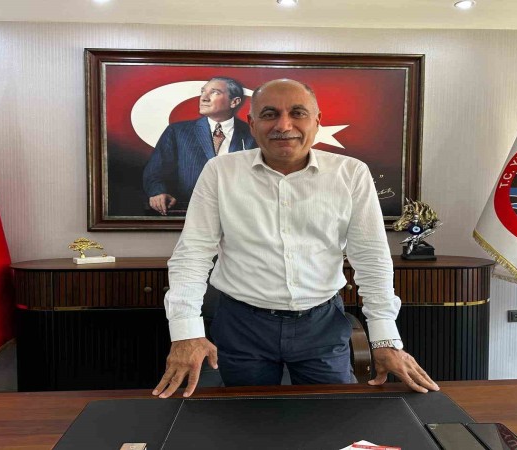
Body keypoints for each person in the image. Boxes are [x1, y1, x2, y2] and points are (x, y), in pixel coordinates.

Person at [153, 79, 439, 398]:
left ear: (317, 121)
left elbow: (371, 258)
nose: (284, 125)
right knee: (243, 418)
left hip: (322, 325)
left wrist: (385, 338)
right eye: (270, 114)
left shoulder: (351, 174)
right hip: (242, 325)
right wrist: (185, 332)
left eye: (298, 113)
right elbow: (193, 254)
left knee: (335, 417)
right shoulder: (220, 171)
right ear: (252, 123)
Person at [142, 76, 257, 215]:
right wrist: (158, 192)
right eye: (203, 92)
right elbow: (155, 172)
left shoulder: (253, 134)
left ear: (234, 102)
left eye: (214, 92)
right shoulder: (177, 132)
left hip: (240, 214)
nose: (204, 98)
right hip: (189, 212)